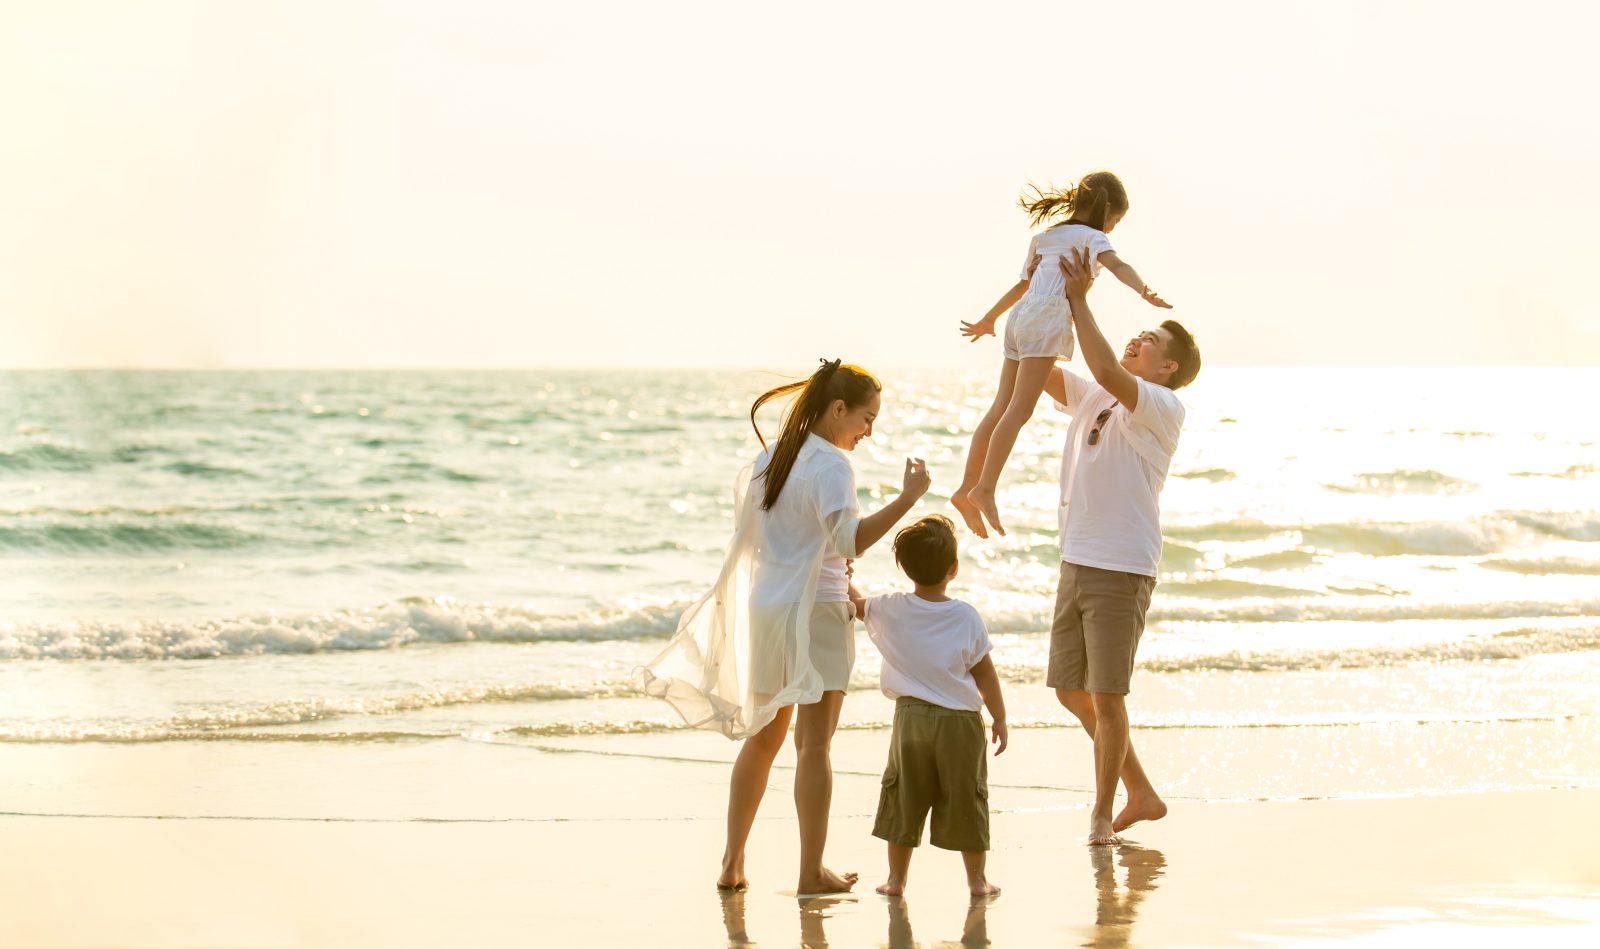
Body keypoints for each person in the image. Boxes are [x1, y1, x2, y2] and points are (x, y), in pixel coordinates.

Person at [640, 358, 933, 894]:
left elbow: (760, 538)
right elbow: (849, 542)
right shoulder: (832, 466)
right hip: (816, 612)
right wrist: (908, 499)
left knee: (762, 742)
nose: (870, 431)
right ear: (837, 409)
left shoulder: (770, 456)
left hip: (768, 610)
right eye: (866, 418)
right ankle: (808, 872)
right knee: (813, 747)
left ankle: (732, 864)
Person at [1044, 246, 1200, 846]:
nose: (1138, 340)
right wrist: (1044, 293)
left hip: (1121, 563)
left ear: (1167, 368)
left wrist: (1083, 299)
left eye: (1149, 340)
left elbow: (1108, 368)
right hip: (1077, 556)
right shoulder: (1096, 397)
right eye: (1136, 333)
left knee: (1107, 698)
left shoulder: (1162, 405)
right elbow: (1042, 367)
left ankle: (1103, 814)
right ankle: (1142, 792)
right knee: (1069, 690)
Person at [952, 171, 1171, 539]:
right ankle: (984, 489)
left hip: (1020, 318)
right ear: (1104, 209)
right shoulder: (1093, 237)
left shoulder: (1045, 237)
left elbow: (1023, 285)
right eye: (1115, 220)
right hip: (1046, 317)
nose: (1112, 229)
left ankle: (965, 486)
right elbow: (1118, 267)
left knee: (1000, 405)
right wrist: (1142, 290)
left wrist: (990, 318)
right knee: (1019, 410)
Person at [847, 514, 1007, 898]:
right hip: (961, 725)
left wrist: (841, 572)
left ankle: (896, 881)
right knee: (968, 798)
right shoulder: (966, 616)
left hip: (911, 721)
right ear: (953, 568)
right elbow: (985, 674)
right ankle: (977, 881)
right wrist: (999, 717)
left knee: (904, 796)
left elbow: (855, 605)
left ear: (903, 568)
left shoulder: (891, 607)